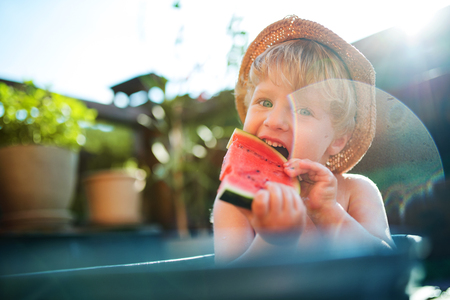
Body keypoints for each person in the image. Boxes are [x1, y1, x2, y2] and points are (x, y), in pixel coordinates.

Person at [212, 15, 395, 265]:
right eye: (265, 102)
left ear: (338, 140)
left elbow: (387, 265)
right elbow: (226, 287)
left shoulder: (356, 192)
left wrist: (329, 212)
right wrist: (271, 241)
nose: (274, 120)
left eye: (303, 110)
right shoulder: (235, 199)